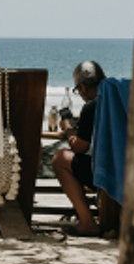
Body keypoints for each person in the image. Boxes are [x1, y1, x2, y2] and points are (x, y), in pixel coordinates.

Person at [50, 60, 120, 238]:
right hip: (128, 168)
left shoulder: (92, 106)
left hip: (109, 173)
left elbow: (79, 147)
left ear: (83, 87)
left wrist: (67, 127)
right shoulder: (117, 97)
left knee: (60, 158)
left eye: (77, 91)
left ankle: (87, 222)